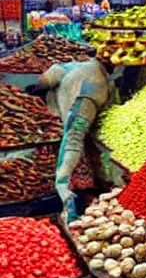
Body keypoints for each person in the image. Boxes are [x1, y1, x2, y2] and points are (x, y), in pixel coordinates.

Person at [35, 58, 114, 219]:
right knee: (74, 181)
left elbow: (46, 78)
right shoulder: (95, 86)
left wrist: (39, 90)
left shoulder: (77, 66)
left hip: (52, 130)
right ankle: (72, 214)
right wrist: (63, 180)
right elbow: (75, 134)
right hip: (70, 140)